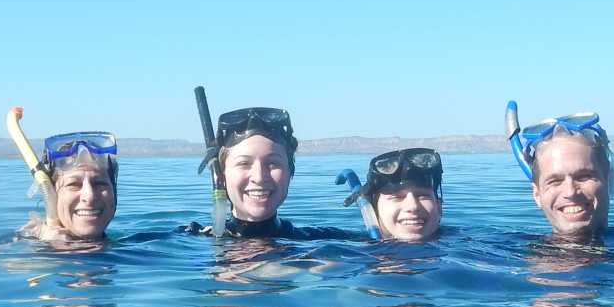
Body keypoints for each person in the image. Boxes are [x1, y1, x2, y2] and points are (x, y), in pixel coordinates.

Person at [190, 106, 355, 239]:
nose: (259, 177)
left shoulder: (322, 243)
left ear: (290, 172)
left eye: (272, 163)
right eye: (244, 163)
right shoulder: (189, 240)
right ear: (221, 175)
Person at [507, 109, 614, 243]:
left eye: (583, 177)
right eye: (555, 181)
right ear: (537, 195)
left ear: (609, 180)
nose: (570, 192)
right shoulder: (497, 255)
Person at [16, 131, 118, 243]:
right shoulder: (20, 246)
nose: (89, 196)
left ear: (114, 191)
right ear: (51, 193)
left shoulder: (136, 248)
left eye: (99, 184)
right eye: (73, 184)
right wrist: (46, 249)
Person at [344, 147, 444, 242]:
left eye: (422, 196)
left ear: (439, 207)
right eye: (397, 197)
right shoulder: (342, 252)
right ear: (373, 209)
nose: (412, 206)